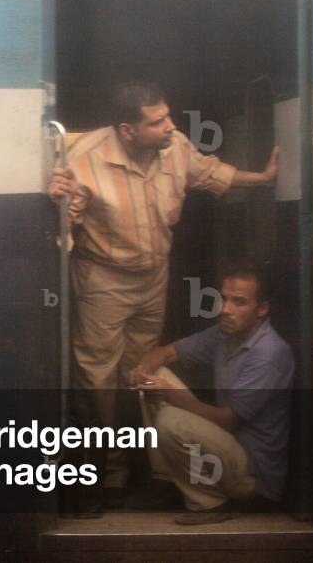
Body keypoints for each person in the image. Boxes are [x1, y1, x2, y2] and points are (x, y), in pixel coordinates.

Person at [47, 82, 279, 512]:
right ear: (128, 130)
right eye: (158, 122)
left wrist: (263, 180)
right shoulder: (84, 160)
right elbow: (63, 225)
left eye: (168, 116)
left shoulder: (175, 147)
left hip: (154, 276)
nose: (170, 126)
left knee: (138, 373)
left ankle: (151, 469)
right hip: (104, 277)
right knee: (97, 378)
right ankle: (105, 474)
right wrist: (57, 201)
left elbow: (212, 172)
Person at [128, 261, 294, 525]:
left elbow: (229, 420)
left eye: (239, 302)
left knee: (171, 421)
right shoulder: (223, 335)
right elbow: (167, 352)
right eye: (224, 299)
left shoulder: (268, 354)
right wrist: (143, 369)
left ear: (261, 309)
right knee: (155, 377)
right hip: (227, 447)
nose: (225, 310)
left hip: (252, 476)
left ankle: (210, 502)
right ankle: (166, 480)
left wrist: (170, 395)